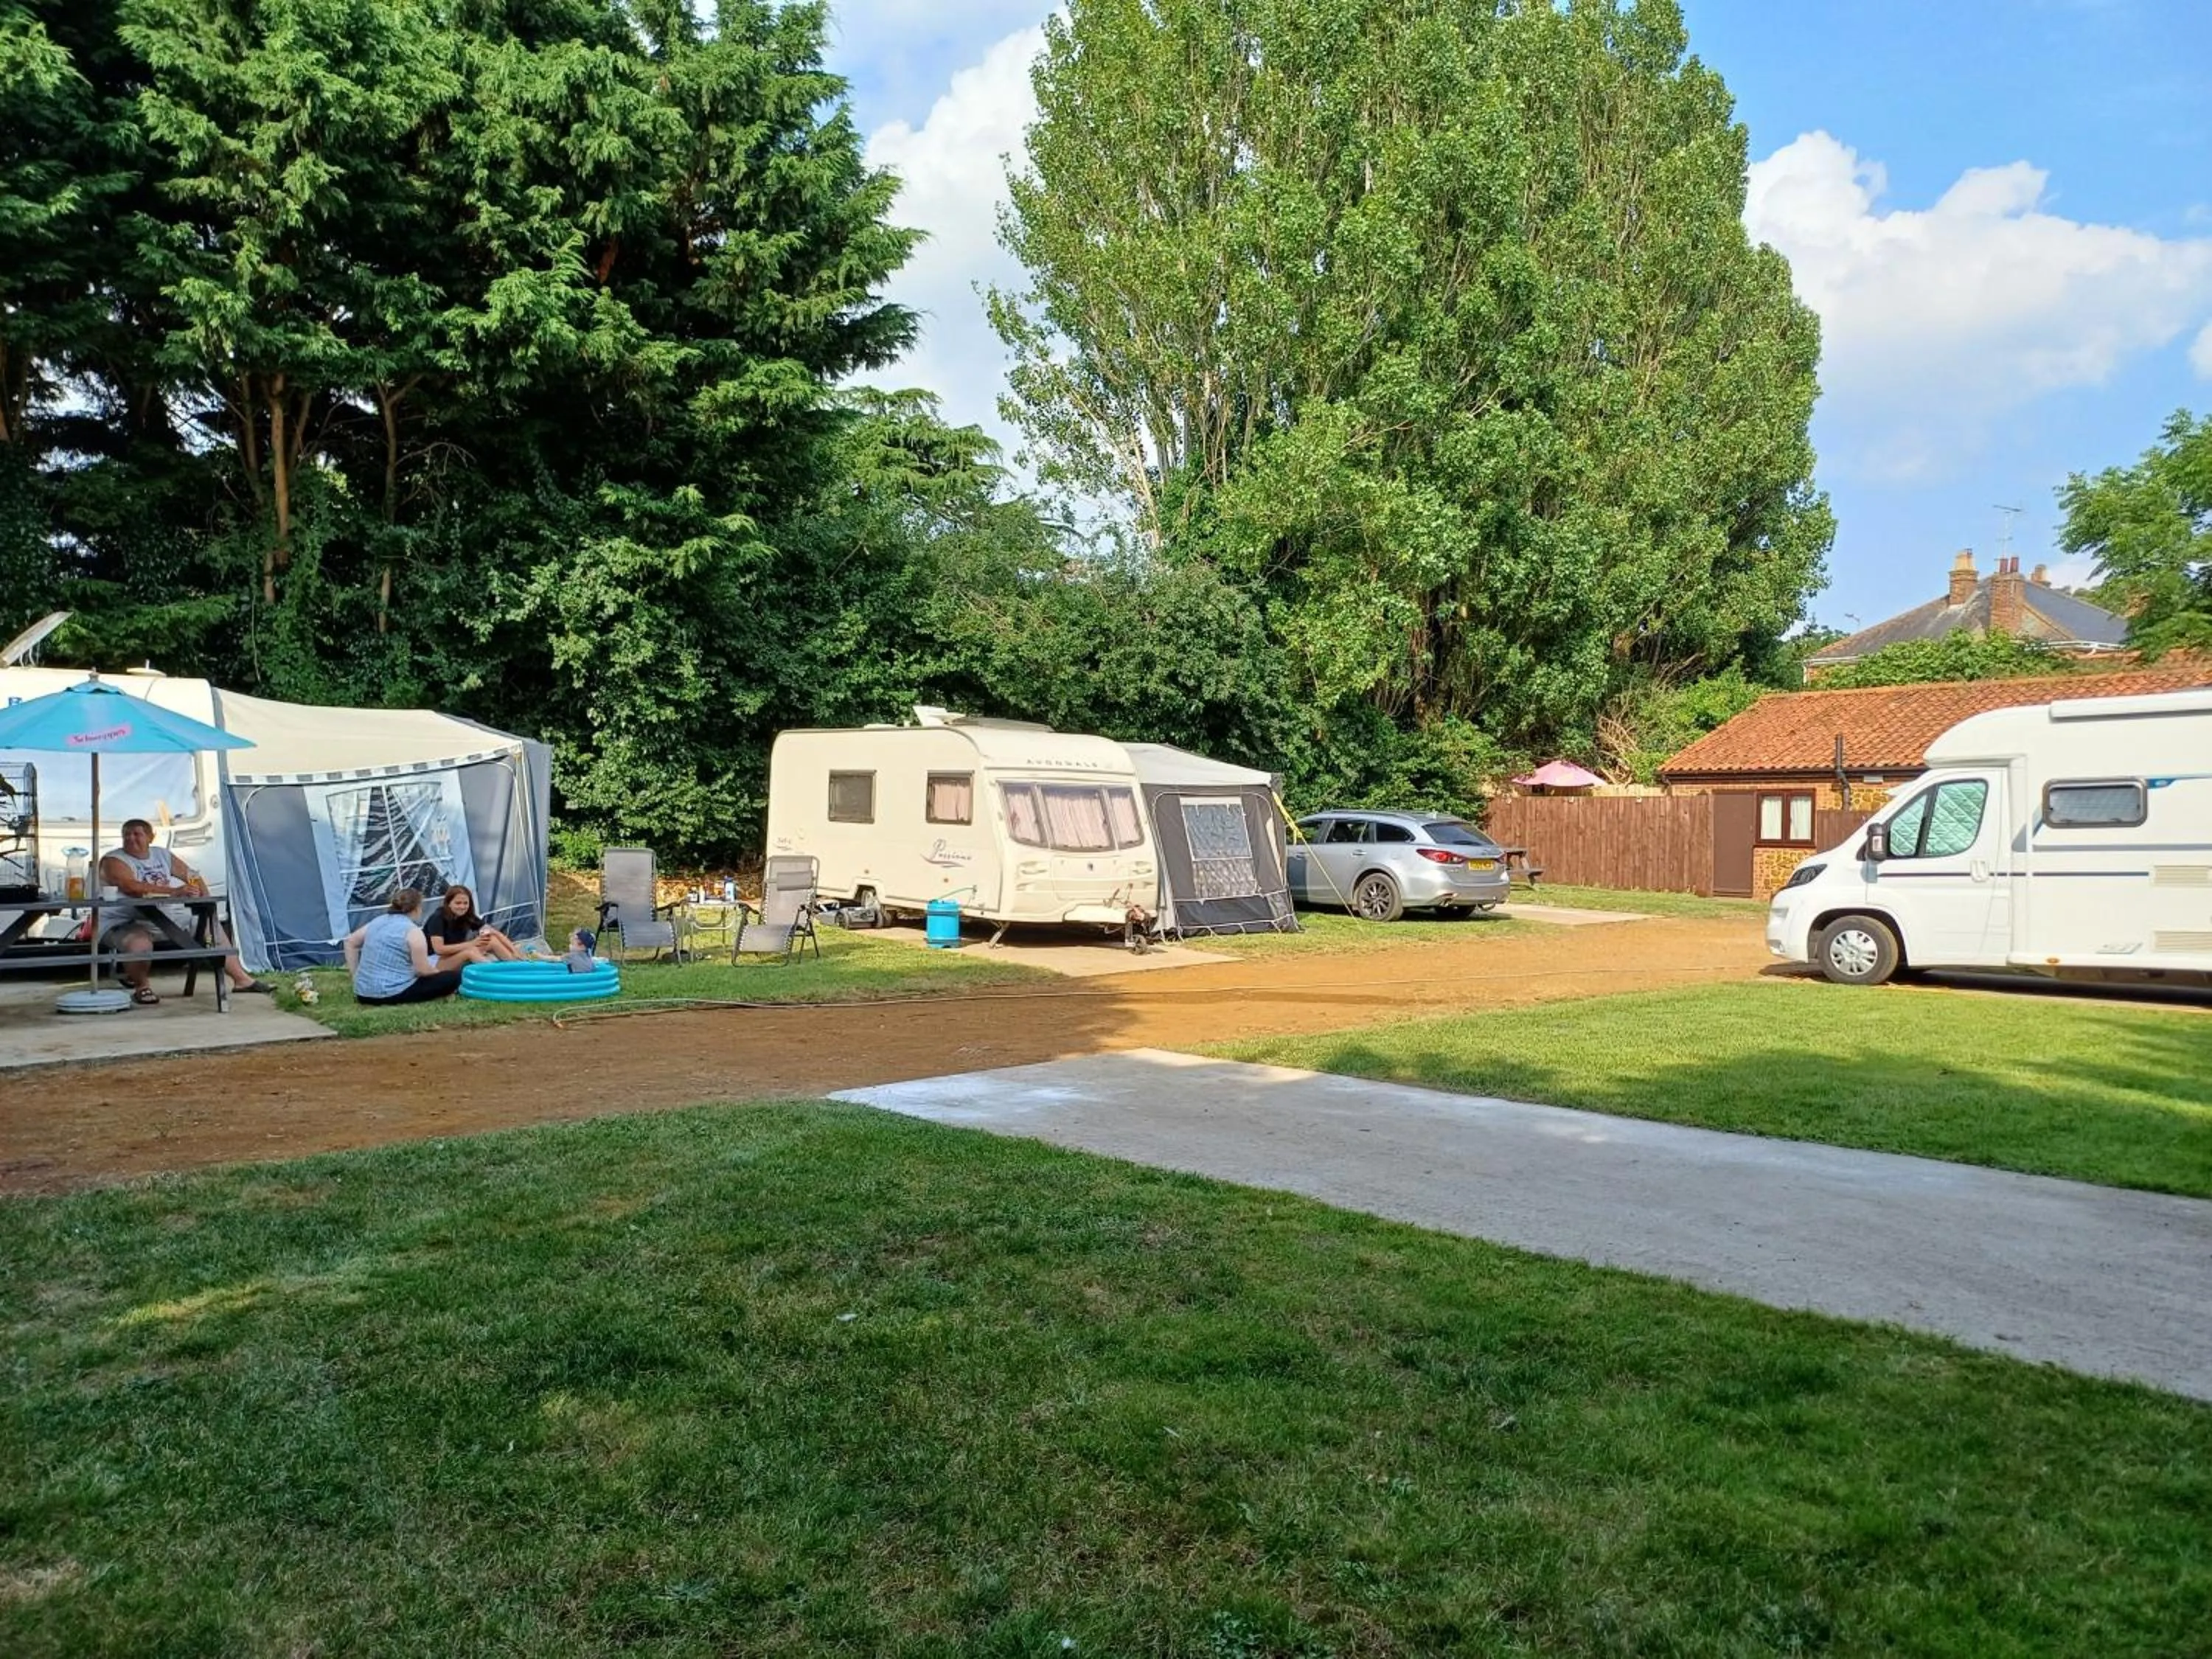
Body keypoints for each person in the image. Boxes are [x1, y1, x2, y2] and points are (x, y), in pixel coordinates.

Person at [98, 817, 273, 1006]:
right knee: (139, 942)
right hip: (124, 921)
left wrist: (206, 899)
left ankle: (242, 980)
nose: (131, 838)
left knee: (209, 926)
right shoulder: (113, 860)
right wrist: (174, 891)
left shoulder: (162, 855)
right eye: (127, 835)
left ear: (150, 837)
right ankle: (142, 987)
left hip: (165, 916)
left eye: (137, 834)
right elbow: (130, 886)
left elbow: (191, 875)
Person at [344, 887, 465, 1006]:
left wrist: (356, 976)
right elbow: (423, 971)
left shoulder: (377, 922)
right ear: (417, 908)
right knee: (453, 977)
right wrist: (437, 972)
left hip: (363, 994)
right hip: (392, 994)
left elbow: (350, 942)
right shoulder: (413, 931)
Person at [421, 885, 524, 964]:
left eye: (466, 903)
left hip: (455, 953)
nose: (462, 907)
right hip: (435, 960)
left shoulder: (467, 916)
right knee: (470, 952)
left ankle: (516, 964)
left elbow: (494, 933)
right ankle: (494, 975)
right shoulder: (438, 918)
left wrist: (514, 950)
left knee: (491, 940)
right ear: (449, 903)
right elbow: (439, 949)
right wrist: (471, 944)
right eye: (458, 903)